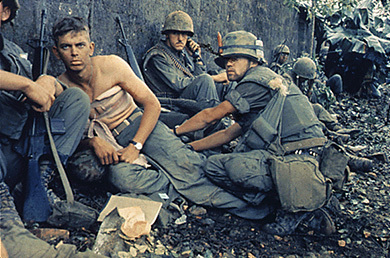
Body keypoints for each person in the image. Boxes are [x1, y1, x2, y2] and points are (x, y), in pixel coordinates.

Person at [52, 16, 274, 221]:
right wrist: (92, 142)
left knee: (191, 170)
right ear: (56, 52)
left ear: (90, 47)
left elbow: (152, 104)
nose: (74, 53)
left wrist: (135, 145)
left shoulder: (111, 65)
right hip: (109, 142)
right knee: (122, 179)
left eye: (79, 45)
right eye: (66, 47)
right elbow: (62, 139)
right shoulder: (61, 88)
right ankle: (177, 187)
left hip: (139, 126)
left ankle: (257, 208)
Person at [174, 30, 338, 235]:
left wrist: (177, 131)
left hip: (293, 160)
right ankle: (299, 197)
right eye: (226, 60)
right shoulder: (268, 79)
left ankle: (285, 207)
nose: (228, 65)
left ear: (252, 61)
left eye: (234, 59)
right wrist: (190, 146)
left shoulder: (255, 81)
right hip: (305, 158)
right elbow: (228, 133)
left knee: (214, 166)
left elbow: (211, 116)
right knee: (226, 158)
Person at [0, 1, 105, 257]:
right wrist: (26, 85)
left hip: (15, 151)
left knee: (76, 99)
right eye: (67, 46)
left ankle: (37, 185)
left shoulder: (13, 53)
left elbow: (47, 91)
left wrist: (48, 84)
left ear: (4, 11)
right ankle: (8, 223)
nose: (74, 51)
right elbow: (27, 86)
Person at [142, 10, 229, 109]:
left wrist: (197, 58)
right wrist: (216, 78)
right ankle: (215, 121)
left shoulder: (182, 54)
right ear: (167, 35)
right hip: (171, 104)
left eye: (184, 34)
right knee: (207, 79)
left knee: (226, 83)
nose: (180, 39)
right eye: (175, 33)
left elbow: (197, 77)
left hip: (185, 99)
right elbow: (179, 85)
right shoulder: (157, 56)